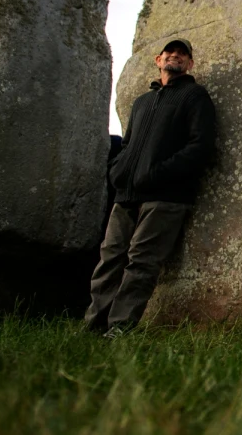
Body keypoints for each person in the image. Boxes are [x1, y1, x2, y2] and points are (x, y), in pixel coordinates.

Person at [85, 39, 217, 337]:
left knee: (141, 262)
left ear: (190, 65)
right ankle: (94, 325)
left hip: (166, 196)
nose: (176, 56)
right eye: (170, 53)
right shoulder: (142, 102)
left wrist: (158, 172)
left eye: (182, 55)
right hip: (127, 193)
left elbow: (200, 146)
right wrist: (117, 171)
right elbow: (128, 144)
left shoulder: (195, 96)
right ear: (158, 60)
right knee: (109, 259)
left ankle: (119, 328)